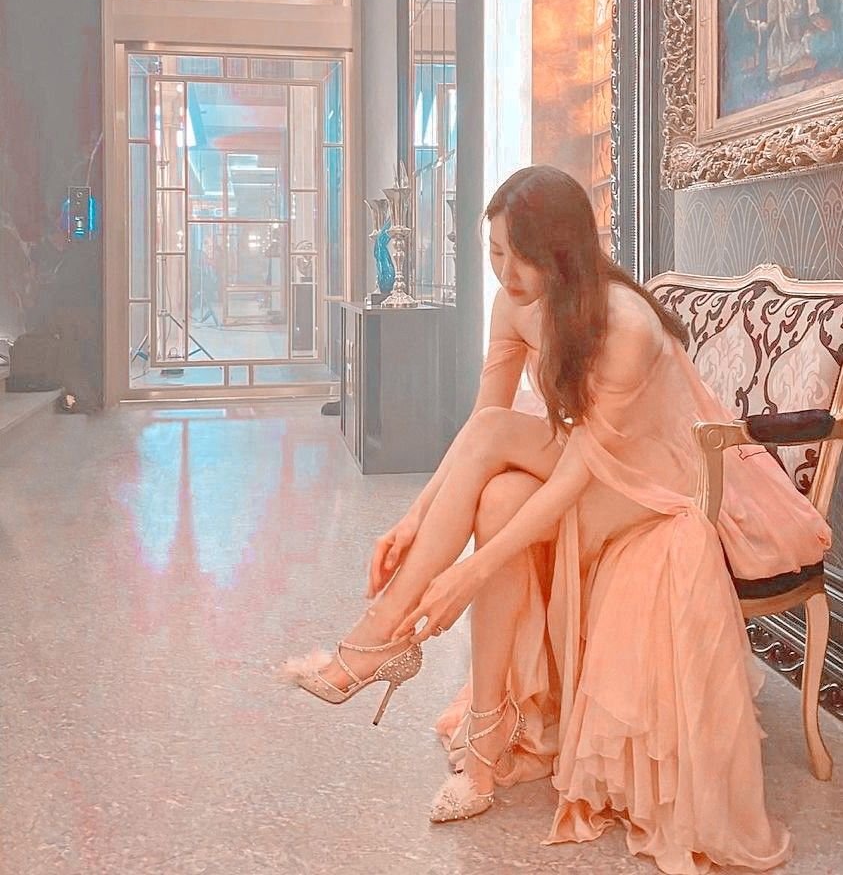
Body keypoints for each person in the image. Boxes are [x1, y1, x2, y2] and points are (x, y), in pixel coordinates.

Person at [286, 167, 831, 874]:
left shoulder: (625, 324)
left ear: (564, 253)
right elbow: (484, 419)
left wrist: (468, 574)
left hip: (654, 486)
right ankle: (480, 747)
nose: (505, 272)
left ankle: (374, 642)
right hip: (589, 461)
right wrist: (412, 520)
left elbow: (579, 472)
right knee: (496, 496)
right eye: (494, 252)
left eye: (521, 257)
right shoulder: (514, 303)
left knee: (501, 499)